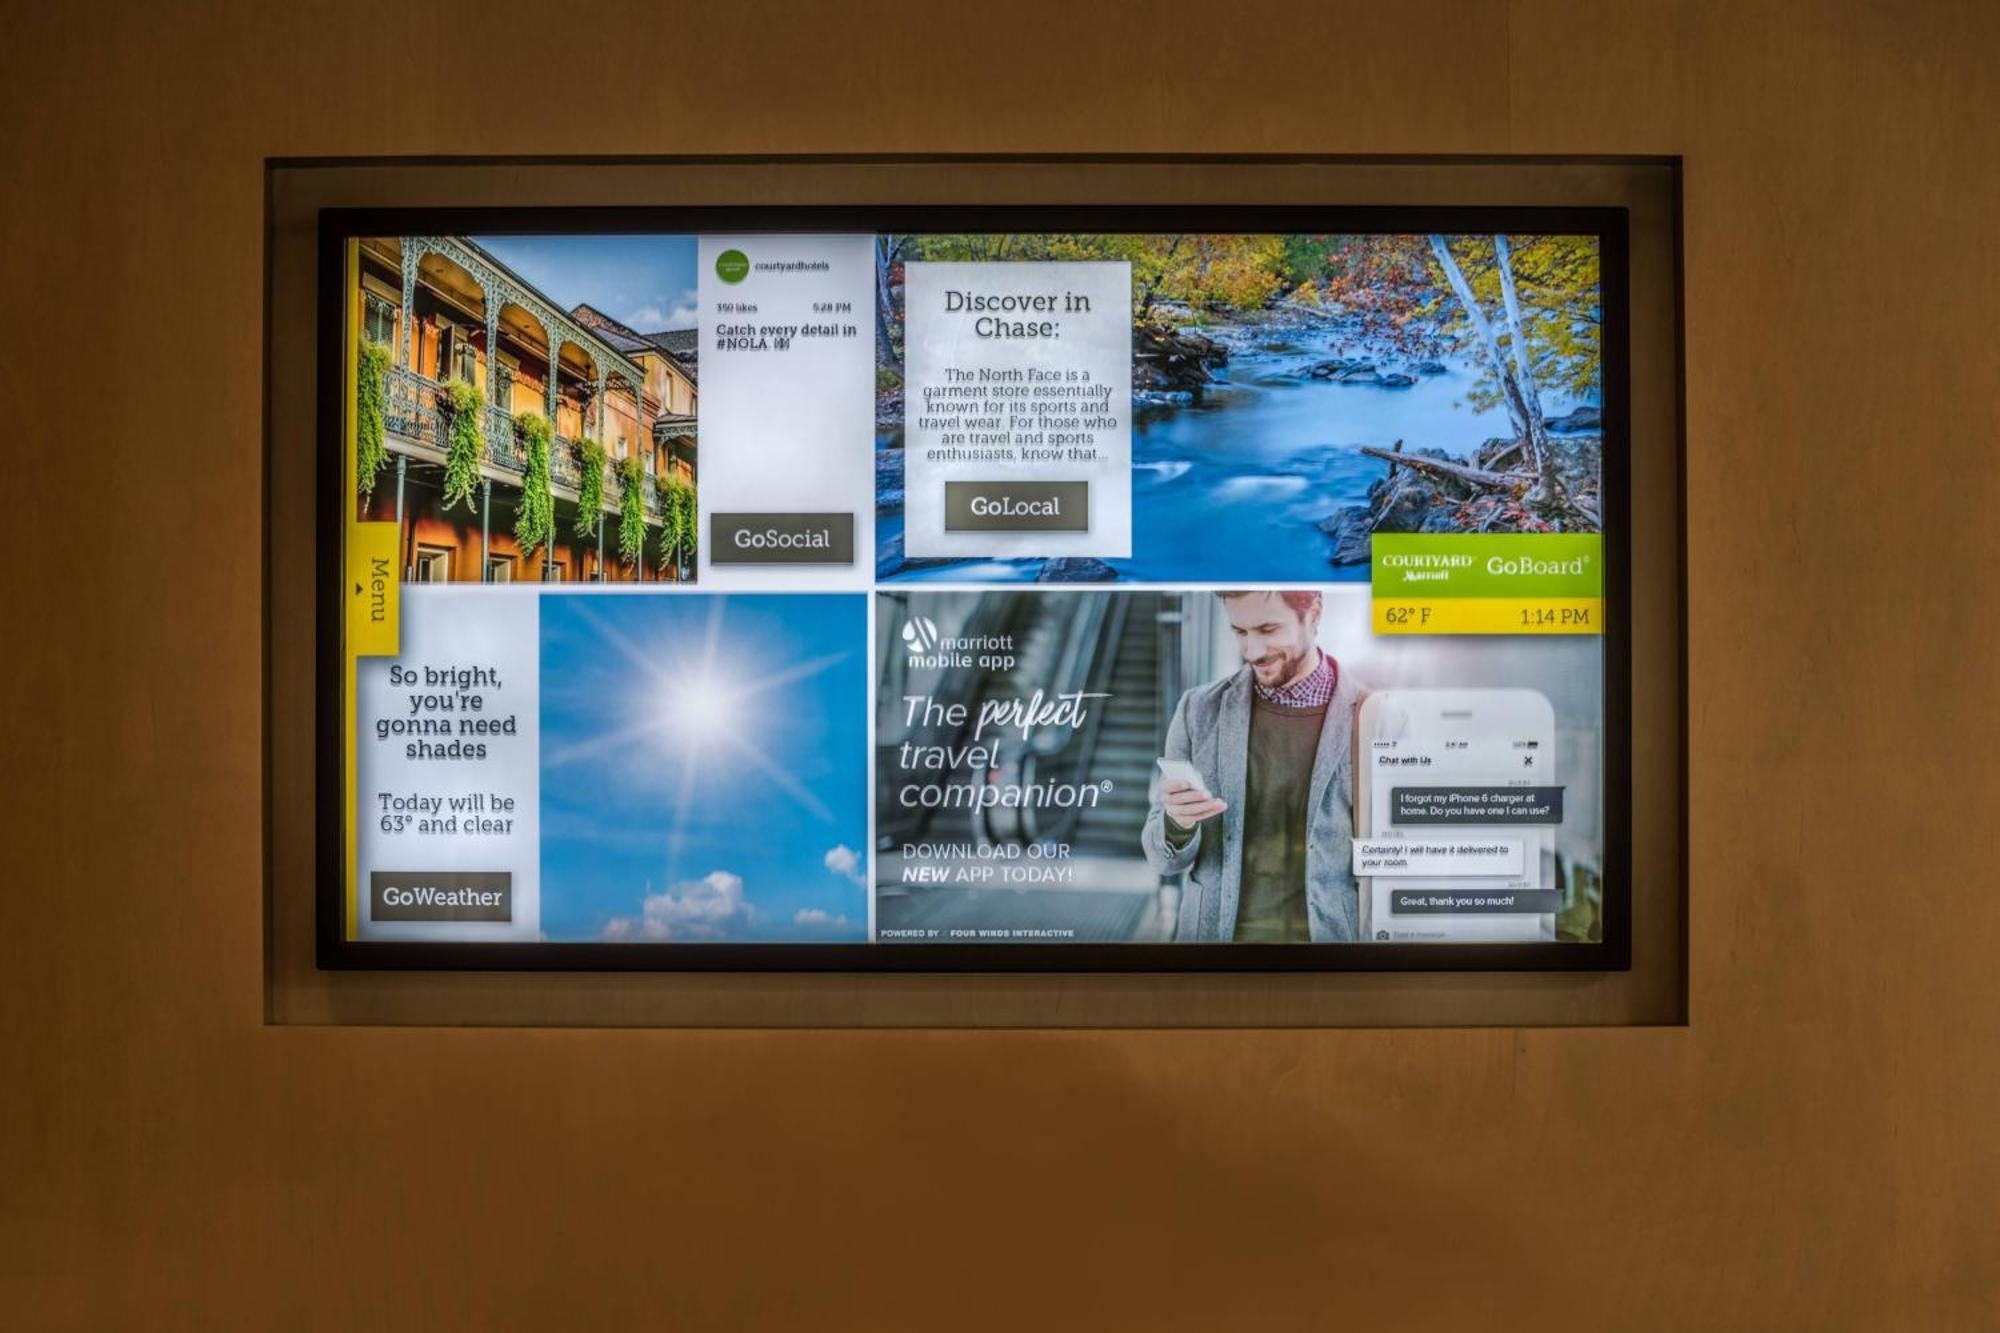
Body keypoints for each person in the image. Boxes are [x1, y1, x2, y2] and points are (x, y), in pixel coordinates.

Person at [1141, 590, 1361, 943]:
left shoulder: (1371, 716)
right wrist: (1178, 823)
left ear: (1314, 615)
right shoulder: (1197, 710)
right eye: (1240, 632)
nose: (1252, 651)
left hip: (1329, 962)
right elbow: (1161, 858)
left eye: (1268, 629)